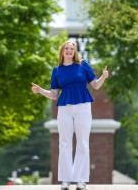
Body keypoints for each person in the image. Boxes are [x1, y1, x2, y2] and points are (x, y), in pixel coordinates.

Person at [31, 40, 108, 190]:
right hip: (64, 109)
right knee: (64, 143)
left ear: (75, 52)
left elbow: (95, 85)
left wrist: (104, 76)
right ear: (62, 51)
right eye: (66, 48)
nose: (69, 51)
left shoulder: (83, 65)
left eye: (72, 49)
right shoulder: (57, 70)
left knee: (83, 143)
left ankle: (81, 180)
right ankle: (65, 180)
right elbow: (54, 94)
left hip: (83, 106)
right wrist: (40, 90)